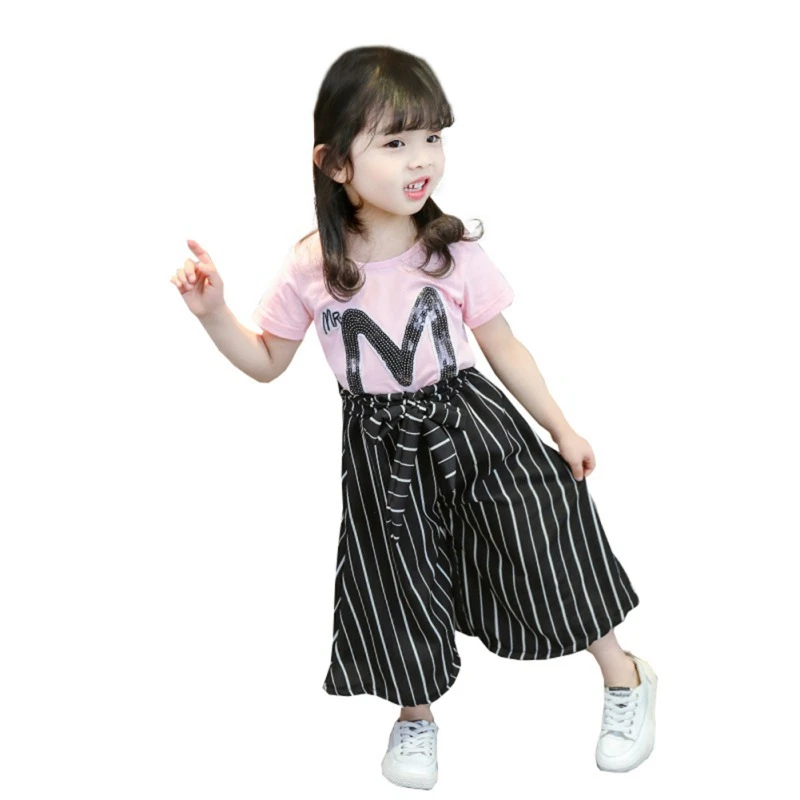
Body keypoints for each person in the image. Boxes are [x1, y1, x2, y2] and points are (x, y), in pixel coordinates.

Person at [169, 45, 658, 789]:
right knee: (395, 576)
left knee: (540, 536)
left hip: (471, 423)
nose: (422, 157)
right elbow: (266, 361)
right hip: (378, 447)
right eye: (395, 142)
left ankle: (624, 674)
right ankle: (415, 717)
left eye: (432, 136)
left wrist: (561, 427)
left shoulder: (449, 251)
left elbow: (503, 346)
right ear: (335, 163)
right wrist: (213, 314)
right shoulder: (311, 266)